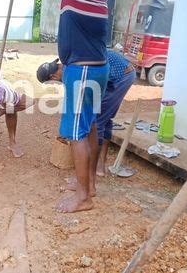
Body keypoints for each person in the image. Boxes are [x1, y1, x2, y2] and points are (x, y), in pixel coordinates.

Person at [25, 0, 109, 214]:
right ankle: (87, 185)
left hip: (84, 70)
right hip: (92, 69)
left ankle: (83, 197)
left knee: (76, 132)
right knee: (87, 128)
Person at [37, 49, 136, 187]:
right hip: (121, 73)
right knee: (104, 118)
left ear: (52, 77)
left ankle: (91, 173)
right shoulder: (68, 64)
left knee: (97, 122)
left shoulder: (70, 73)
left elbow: (76, 101)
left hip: (121, 76)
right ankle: (100, 166)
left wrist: (71, 127)